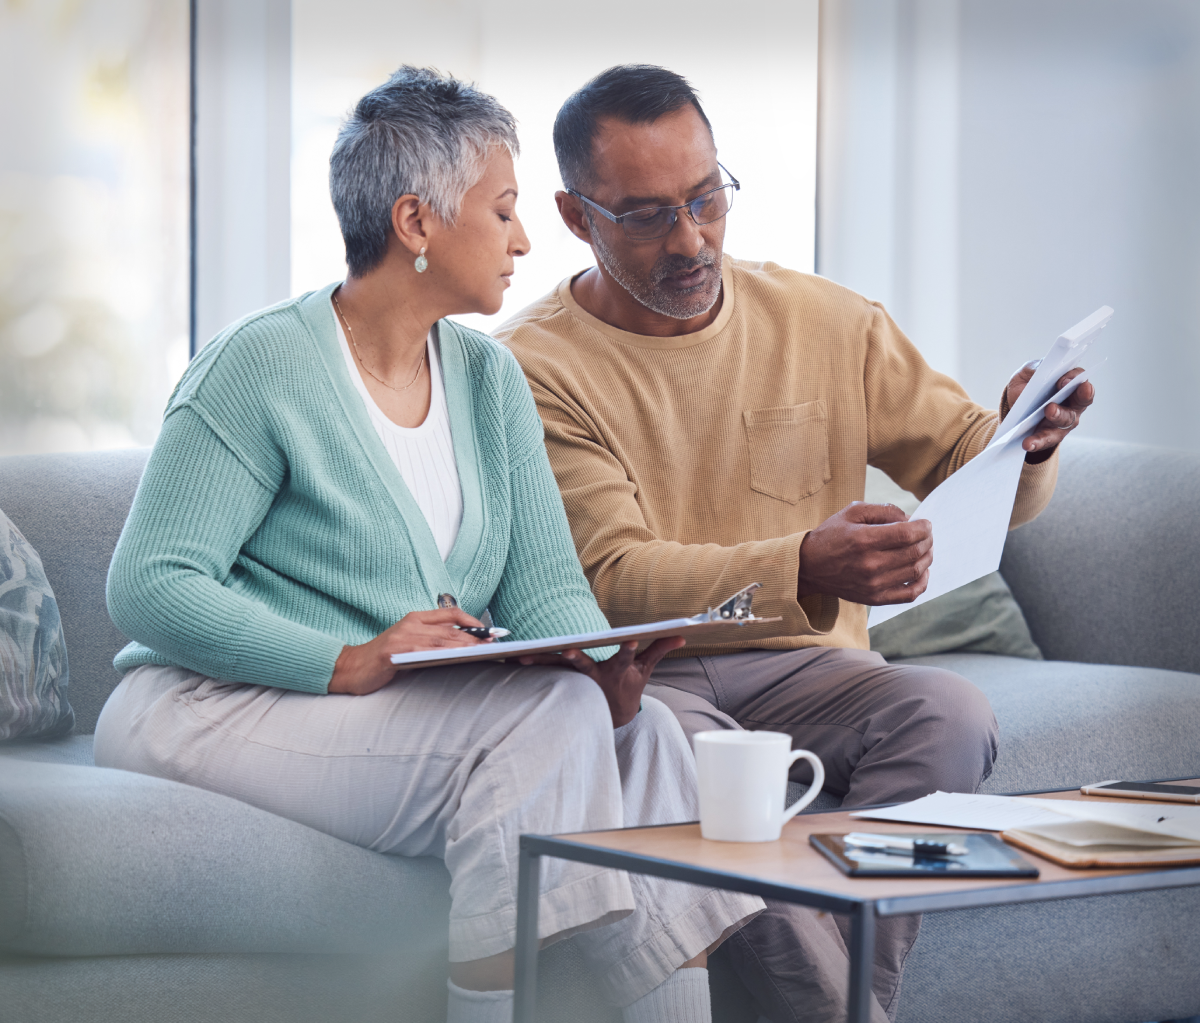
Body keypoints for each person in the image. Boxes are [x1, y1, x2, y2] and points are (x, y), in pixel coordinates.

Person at [92, 67, 766, 1023]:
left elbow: (547, 595)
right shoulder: (260, 366)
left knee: (647, 732)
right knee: (548, 724)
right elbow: (150, 585)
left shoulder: (490, 382)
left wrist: (607, 667)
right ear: (416, 223)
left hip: (388, 713)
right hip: (209, 703)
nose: (525, 239)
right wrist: (349, 657)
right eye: (502, 211)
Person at [496, 65, 1096, 1022]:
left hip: (812, 669)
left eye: (705, 199)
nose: (690, 239)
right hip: (654, 672)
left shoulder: (826, 320)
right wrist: (802, 562)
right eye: (648, 216)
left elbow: (961, 456)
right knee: (685, 769)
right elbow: (612, 579)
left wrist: (1026, 439)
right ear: (577, 216)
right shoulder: (529, 368)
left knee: (950, 709)